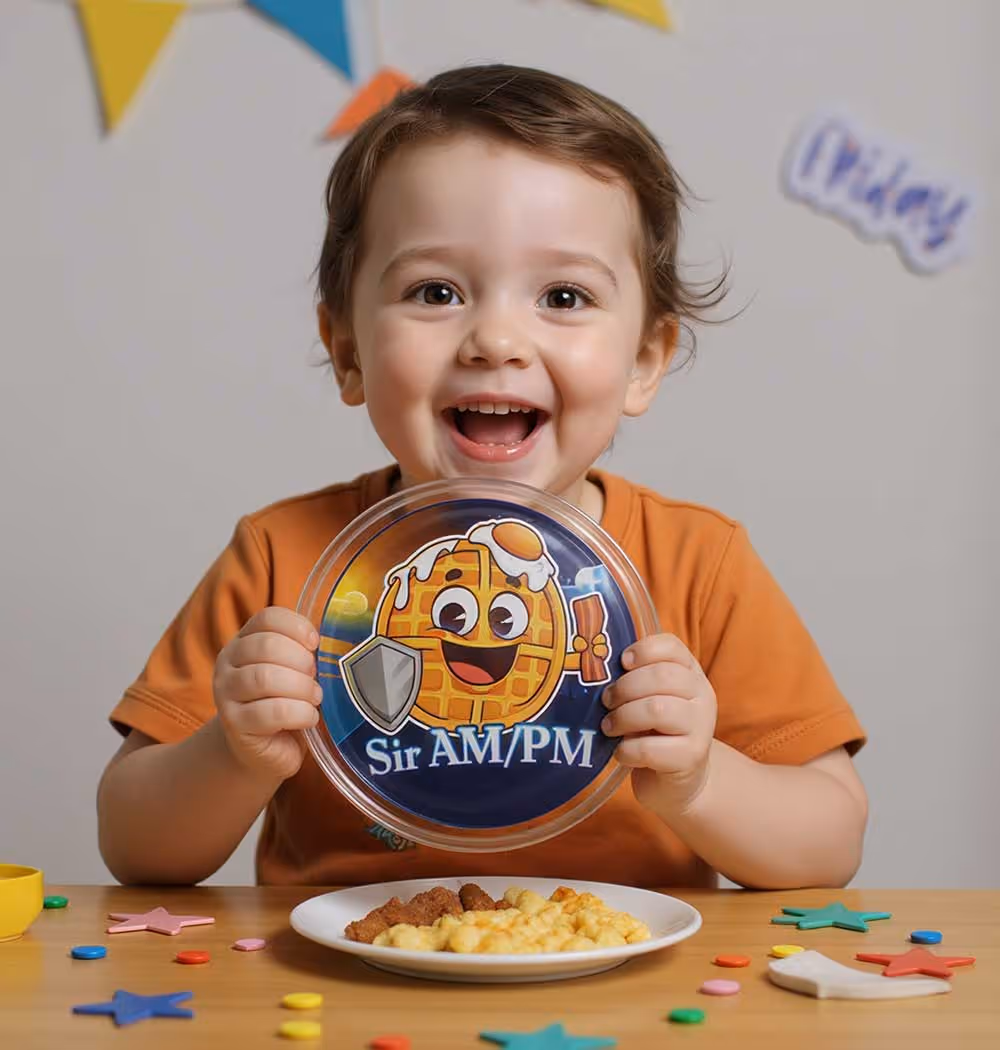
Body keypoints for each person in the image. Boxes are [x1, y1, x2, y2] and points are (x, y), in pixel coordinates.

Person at [97, 64, 868, 890]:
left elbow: (830, 844)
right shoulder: (283, 559)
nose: (495, 339)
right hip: (337, 996)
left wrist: (704, 782)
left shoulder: (699, 564)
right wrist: (232, 752)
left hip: (634, 1004)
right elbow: (135, 844)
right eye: (436, 291)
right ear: (349, 351)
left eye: (564, 296)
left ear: (645, 360)